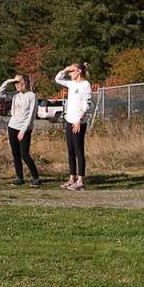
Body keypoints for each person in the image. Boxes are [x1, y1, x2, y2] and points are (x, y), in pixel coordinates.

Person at [0, 74, 41, 187]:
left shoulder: (31, 96)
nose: (16, 85)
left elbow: (31, 115)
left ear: (25, 83)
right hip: (12, 126)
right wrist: (9, 80)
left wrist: (23, 130)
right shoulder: (15, 95)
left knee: (24, 154)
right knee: (15, 154)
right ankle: (19, 177)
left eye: (19, 82)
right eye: (15, 83)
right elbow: (0, 93)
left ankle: (36, 177)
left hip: (24, 128)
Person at [55, 62, 92, 191]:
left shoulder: (85, 85)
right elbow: (57, 79)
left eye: (73, 71)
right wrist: (65, 69)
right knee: (70, 150)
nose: (70, 74)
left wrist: (79, 120)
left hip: (78, 122)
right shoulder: (71, 84)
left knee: (78, 151)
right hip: (69, 120)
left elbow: (87, 104)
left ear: (79, 72)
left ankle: (80, 180)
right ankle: (72, 178)